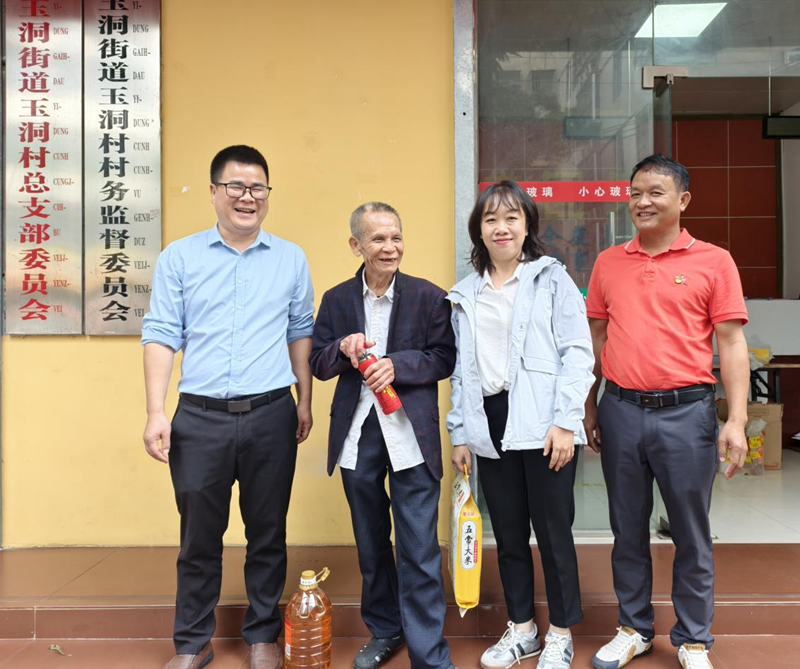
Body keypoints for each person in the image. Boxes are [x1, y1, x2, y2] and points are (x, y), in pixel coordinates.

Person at [142, 145, 314, 669]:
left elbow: (300, 332)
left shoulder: (290, 258)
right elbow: (161, 333)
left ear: (267, 194)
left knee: (268, 532)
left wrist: (304, 400)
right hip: (199, 418)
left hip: (271, 413)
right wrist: (155, 412)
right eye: (236, 186)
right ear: (214, 191)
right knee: (198, 537)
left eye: (258, 187)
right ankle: (193, 642)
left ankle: (262, 635)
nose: (247, 197)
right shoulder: (180, 257)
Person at [584, 154, 750, 669]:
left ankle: (693, 638)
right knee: (626, 528)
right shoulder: (608, 262)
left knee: (690, 532)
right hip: (621, 409)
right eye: (635, 192)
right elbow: (595, 339)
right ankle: (633, 628)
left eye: (655, 192)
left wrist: (736, 419)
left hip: (687, 413)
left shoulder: (714, 261)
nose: (642, 202)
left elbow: (732, 342)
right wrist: (588, 405)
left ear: (683, 200)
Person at [448, 181, 595, 669]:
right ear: (479, 230)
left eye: (512, 217)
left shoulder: (551, 278)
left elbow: (578, 352)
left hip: (545, 418)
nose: (502, 227)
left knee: (553, 532)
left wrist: (566, 421)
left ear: (527, 225)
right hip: (490, 422)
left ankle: (560, 633)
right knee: (508, 534)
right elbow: (461, 370)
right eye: (491, 219)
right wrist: (460, 432)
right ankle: (523, 629)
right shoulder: (465, 293)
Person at [310, 202, 457, 669]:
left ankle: (428, 654)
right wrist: (342, 348)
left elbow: (444, 357)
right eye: (378, 239)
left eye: (396, 237)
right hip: (358, 435)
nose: (390, 247)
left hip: (410, 435)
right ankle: (385, 630)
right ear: (356, 245)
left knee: (419, 549)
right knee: (371, 545)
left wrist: (398, 364)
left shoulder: (429, 296)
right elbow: (317, 363)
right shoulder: (336, 299)